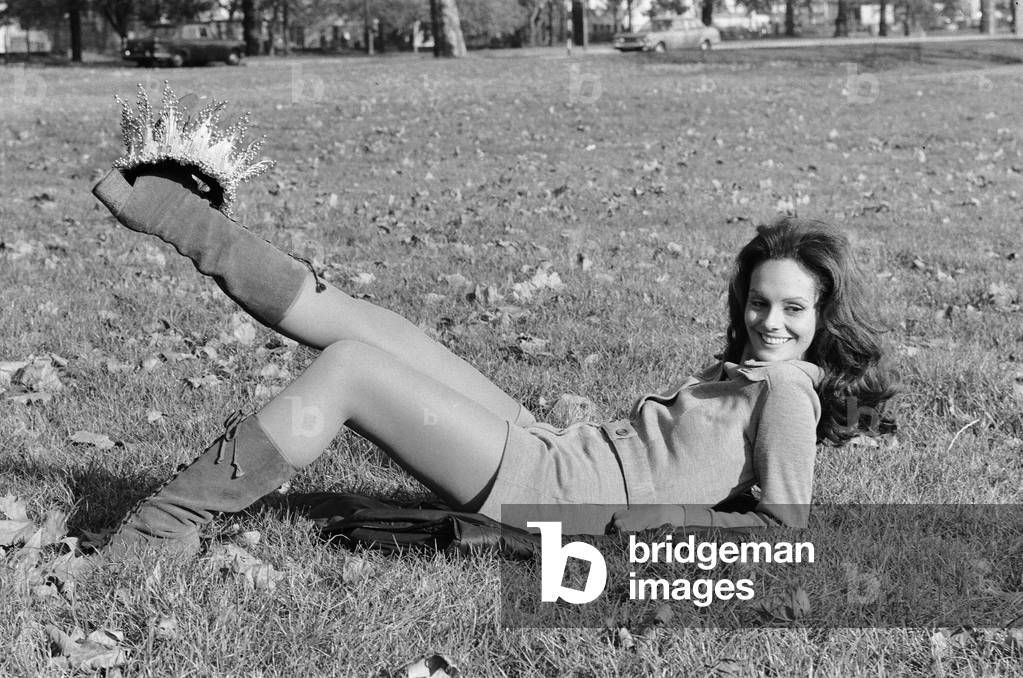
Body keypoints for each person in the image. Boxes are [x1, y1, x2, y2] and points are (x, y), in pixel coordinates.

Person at [90, 165, 895, 556]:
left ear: (824, 315)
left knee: (351, 370)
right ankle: (176, 213)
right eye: (759, 302)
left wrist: (654, 522)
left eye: (793, 308)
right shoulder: (754, 372)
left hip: (558, 491)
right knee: (372, 327)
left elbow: (785, 527)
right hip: (560, 449)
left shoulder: (788, 390)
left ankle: (163, 527)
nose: (769, 321)